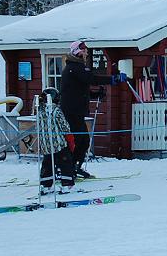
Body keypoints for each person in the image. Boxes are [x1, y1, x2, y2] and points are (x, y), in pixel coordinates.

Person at [60, 40, 124, 179]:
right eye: (84, 50)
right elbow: (91, 79)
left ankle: (74, 166)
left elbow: (80, 89)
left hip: (76, 111)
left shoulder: (76, 67)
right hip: (72, 111)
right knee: (80, 140)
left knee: (81, 140)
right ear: (77, 52)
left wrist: (95, 94)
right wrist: (113, 79)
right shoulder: (74, 67)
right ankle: (68, 168)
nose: (86, 52)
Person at [36, 87, 76, 194]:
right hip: (58, 143)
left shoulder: (39, 110)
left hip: (45, 144)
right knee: (65, 162)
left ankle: (45, 185)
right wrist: (70, 140)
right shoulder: (55, 110)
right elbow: (64, 126)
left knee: (47, 164)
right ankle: (67, 185)